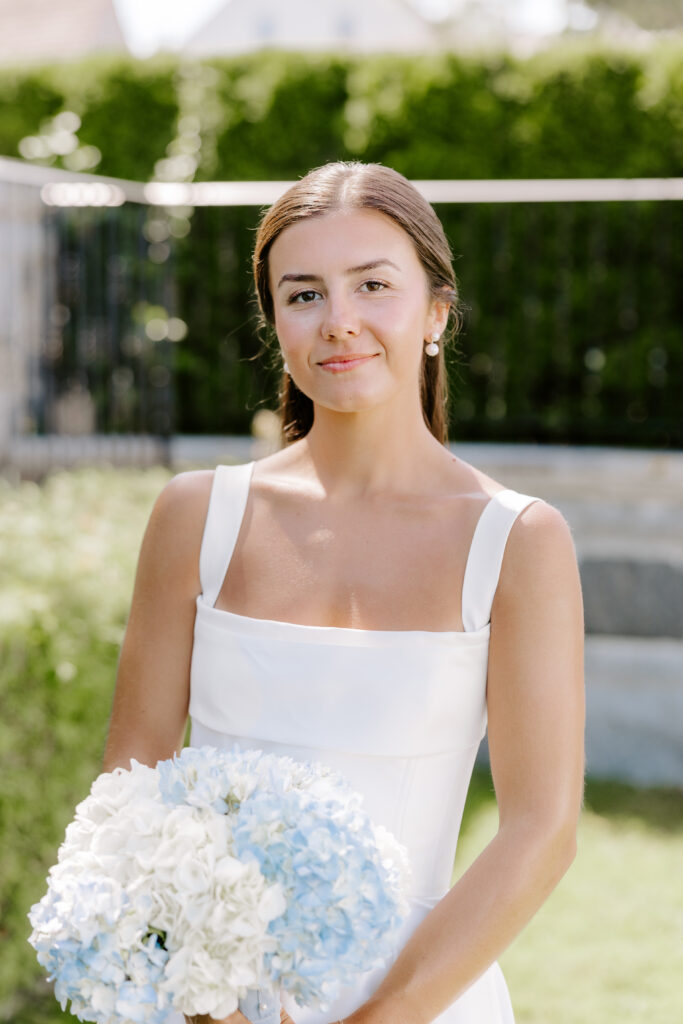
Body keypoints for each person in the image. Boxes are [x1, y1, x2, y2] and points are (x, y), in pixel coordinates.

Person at [103, 161, 585, 1024]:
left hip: (422, 998)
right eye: (304, 295)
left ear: (436, 312)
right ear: (276, 323)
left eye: (373, 285)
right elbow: (130, 777)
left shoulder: (517, 541)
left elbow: (541, 831)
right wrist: (210, 1003)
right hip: (207, 999)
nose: (340, 322)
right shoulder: (195, 517)